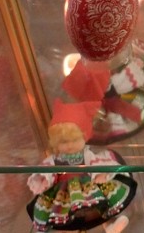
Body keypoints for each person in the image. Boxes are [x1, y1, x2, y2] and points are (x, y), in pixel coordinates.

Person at [26, 100, 136, 233]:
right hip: (63, 191)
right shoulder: (55, 159)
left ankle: (109, 224)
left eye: (75, 140)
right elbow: (47, 169)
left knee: (101, 203)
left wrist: (99, 174)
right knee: (61, 214)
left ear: (85, 136)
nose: (70, 145)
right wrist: (45, 179)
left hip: (86, 186)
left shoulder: (86, 154)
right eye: (64, 142)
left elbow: (96, 163)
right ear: (55, 142)